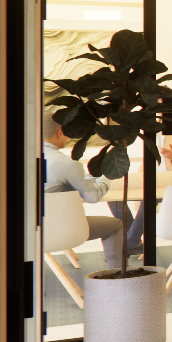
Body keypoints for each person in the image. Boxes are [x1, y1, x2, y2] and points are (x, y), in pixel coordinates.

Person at [42, 110, 126, 273]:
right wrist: (107, 174)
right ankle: (119, 278)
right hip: (56, 230)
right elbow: (92, 196)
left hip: (24, 231)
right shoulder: (65, 163)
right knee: (115, 225)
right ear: (60, 132)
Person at [110, 119, 172, 261]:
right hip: (147, 176)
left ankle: (129, 243)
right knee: (113, 197)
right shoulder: (150, 126)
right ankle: (134, 241)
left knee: (148, 197)